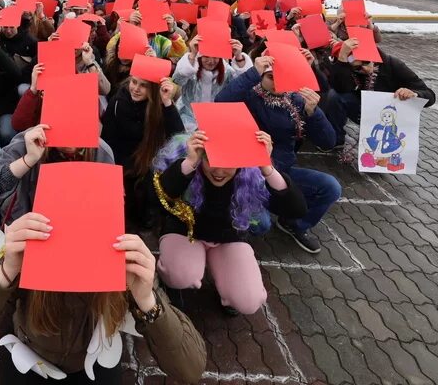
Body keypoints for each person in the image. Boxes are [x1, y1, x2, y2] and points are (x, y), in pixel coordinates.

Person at [0, 212, 207, 383]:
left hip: (92, 365)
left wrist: (147, 300)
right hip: (30, 359)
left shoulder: (119, 268)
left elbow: (190, 369)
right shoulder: (30, 265)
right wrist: (4, 275)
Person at [153, 130, 306, 315]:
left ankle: (228, 288)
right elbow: (155, 200)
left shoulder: (250, 175)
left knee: (249, 301)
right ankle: (172, 278)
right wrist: (188, 164)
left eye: (228, 163)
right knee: (180, 274)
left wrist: (267, 168)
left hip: (227, 239)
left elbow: (297, 210)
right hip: (186, 233)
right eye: (211, 161)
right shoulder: (190, 163)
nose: (219, 171)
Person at [215, 55, 339, 254]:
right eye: (271, 77)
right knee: (261, 224)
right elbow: (220, 102)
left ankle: (293, 224)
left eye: (283, 77)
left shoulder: (297, 101)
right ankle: (233, 218)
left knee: (330, 187)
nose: (277, 84)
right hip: (249, 175)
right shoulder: (249, 95)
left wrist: (313, 112)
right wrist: (252, 73)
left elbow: (328, 141)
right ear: (261, 77)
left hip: (281, 172)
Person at [101, 76, 184, 231]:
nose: (136, 88)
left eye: (143, 85)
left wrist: (167, 103)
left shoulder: (158, 106)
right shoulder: (118, 102)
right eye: (134, 82)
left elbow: (179, 137)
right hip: (123, 163)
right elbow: (108, 141)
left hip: (149, 164)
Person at [325, 37, 436, 146]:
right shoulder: (347, 70)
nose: (365, 69)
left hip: (391, 117)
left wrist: (414, 93)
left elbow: (429, 96)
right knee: (334, 96)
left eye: (366, 62)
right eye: (358, 68)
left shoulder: (393, 64)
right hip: (363, 110)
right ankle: (337, 140)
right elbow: (340, 88)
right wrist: (343, 58)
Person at [173, 35, 252, 131]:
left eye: (215, 57)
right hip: (188, 119)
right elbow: (178, 79)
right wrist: (192, 53)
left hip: (217, 121)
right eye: (206, 56)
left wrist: (239, 57)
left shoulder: (227, 72)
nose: (211, 61)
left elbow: (244, 85)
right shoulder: (191, 69)